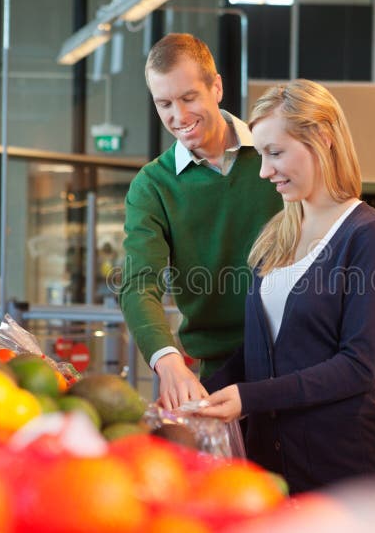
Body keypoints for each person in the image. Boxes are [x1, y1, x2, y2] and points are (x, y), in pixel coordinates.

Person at [199, 79, 375, 502]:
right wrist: (200, 393)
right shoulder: (277, 235)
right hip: (270, 471)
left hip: (346, 475)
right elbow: (264, 347)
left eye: (275, 153)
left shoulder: (367, 236)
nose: (264, 170)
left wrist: (249, 397)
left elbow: (357, 366)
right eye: (261, 155)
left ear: (323, 139)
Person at [119, 33, 283, 410]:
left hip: (295, 361)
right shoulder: (153, 186)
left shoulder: (273, 152)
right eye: (165, 104)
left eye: (189, 97)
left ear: (217, 87)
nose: (179, 116)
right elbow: (138, 282)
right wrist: (167, 360)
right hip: (216, 373)